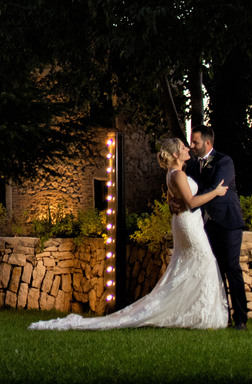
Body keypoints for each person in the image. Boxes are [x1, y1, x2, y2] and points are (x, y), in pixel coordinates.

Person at [28, 137, 228, 330]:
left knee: (191, 265)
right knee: (205, 261)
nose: (188, 150)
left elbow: (170, 202)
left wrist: (177, 204)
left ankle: (190, 310)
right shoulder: (178, 174)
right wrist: (215, 193)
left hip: (183, 222)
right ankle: (201, 313)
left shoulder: (171, 174)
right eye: (184, 148)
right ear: (176, 154)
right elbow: (192, 203)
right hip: (188, 224)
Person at [186, 125, 248, 330]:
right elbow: (199, 189)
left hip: (229, 223)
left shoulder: (224, 161)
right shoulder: (193, 166)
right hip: (206, 224)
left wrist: (194, 199)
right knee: (215, 270)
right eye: (191, 141)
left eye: (195, 142)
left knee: (231, 268)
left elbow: (215, 187)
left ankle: (240, 319)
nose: (191, 145)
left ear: (208, 143)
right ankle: (223, 316)